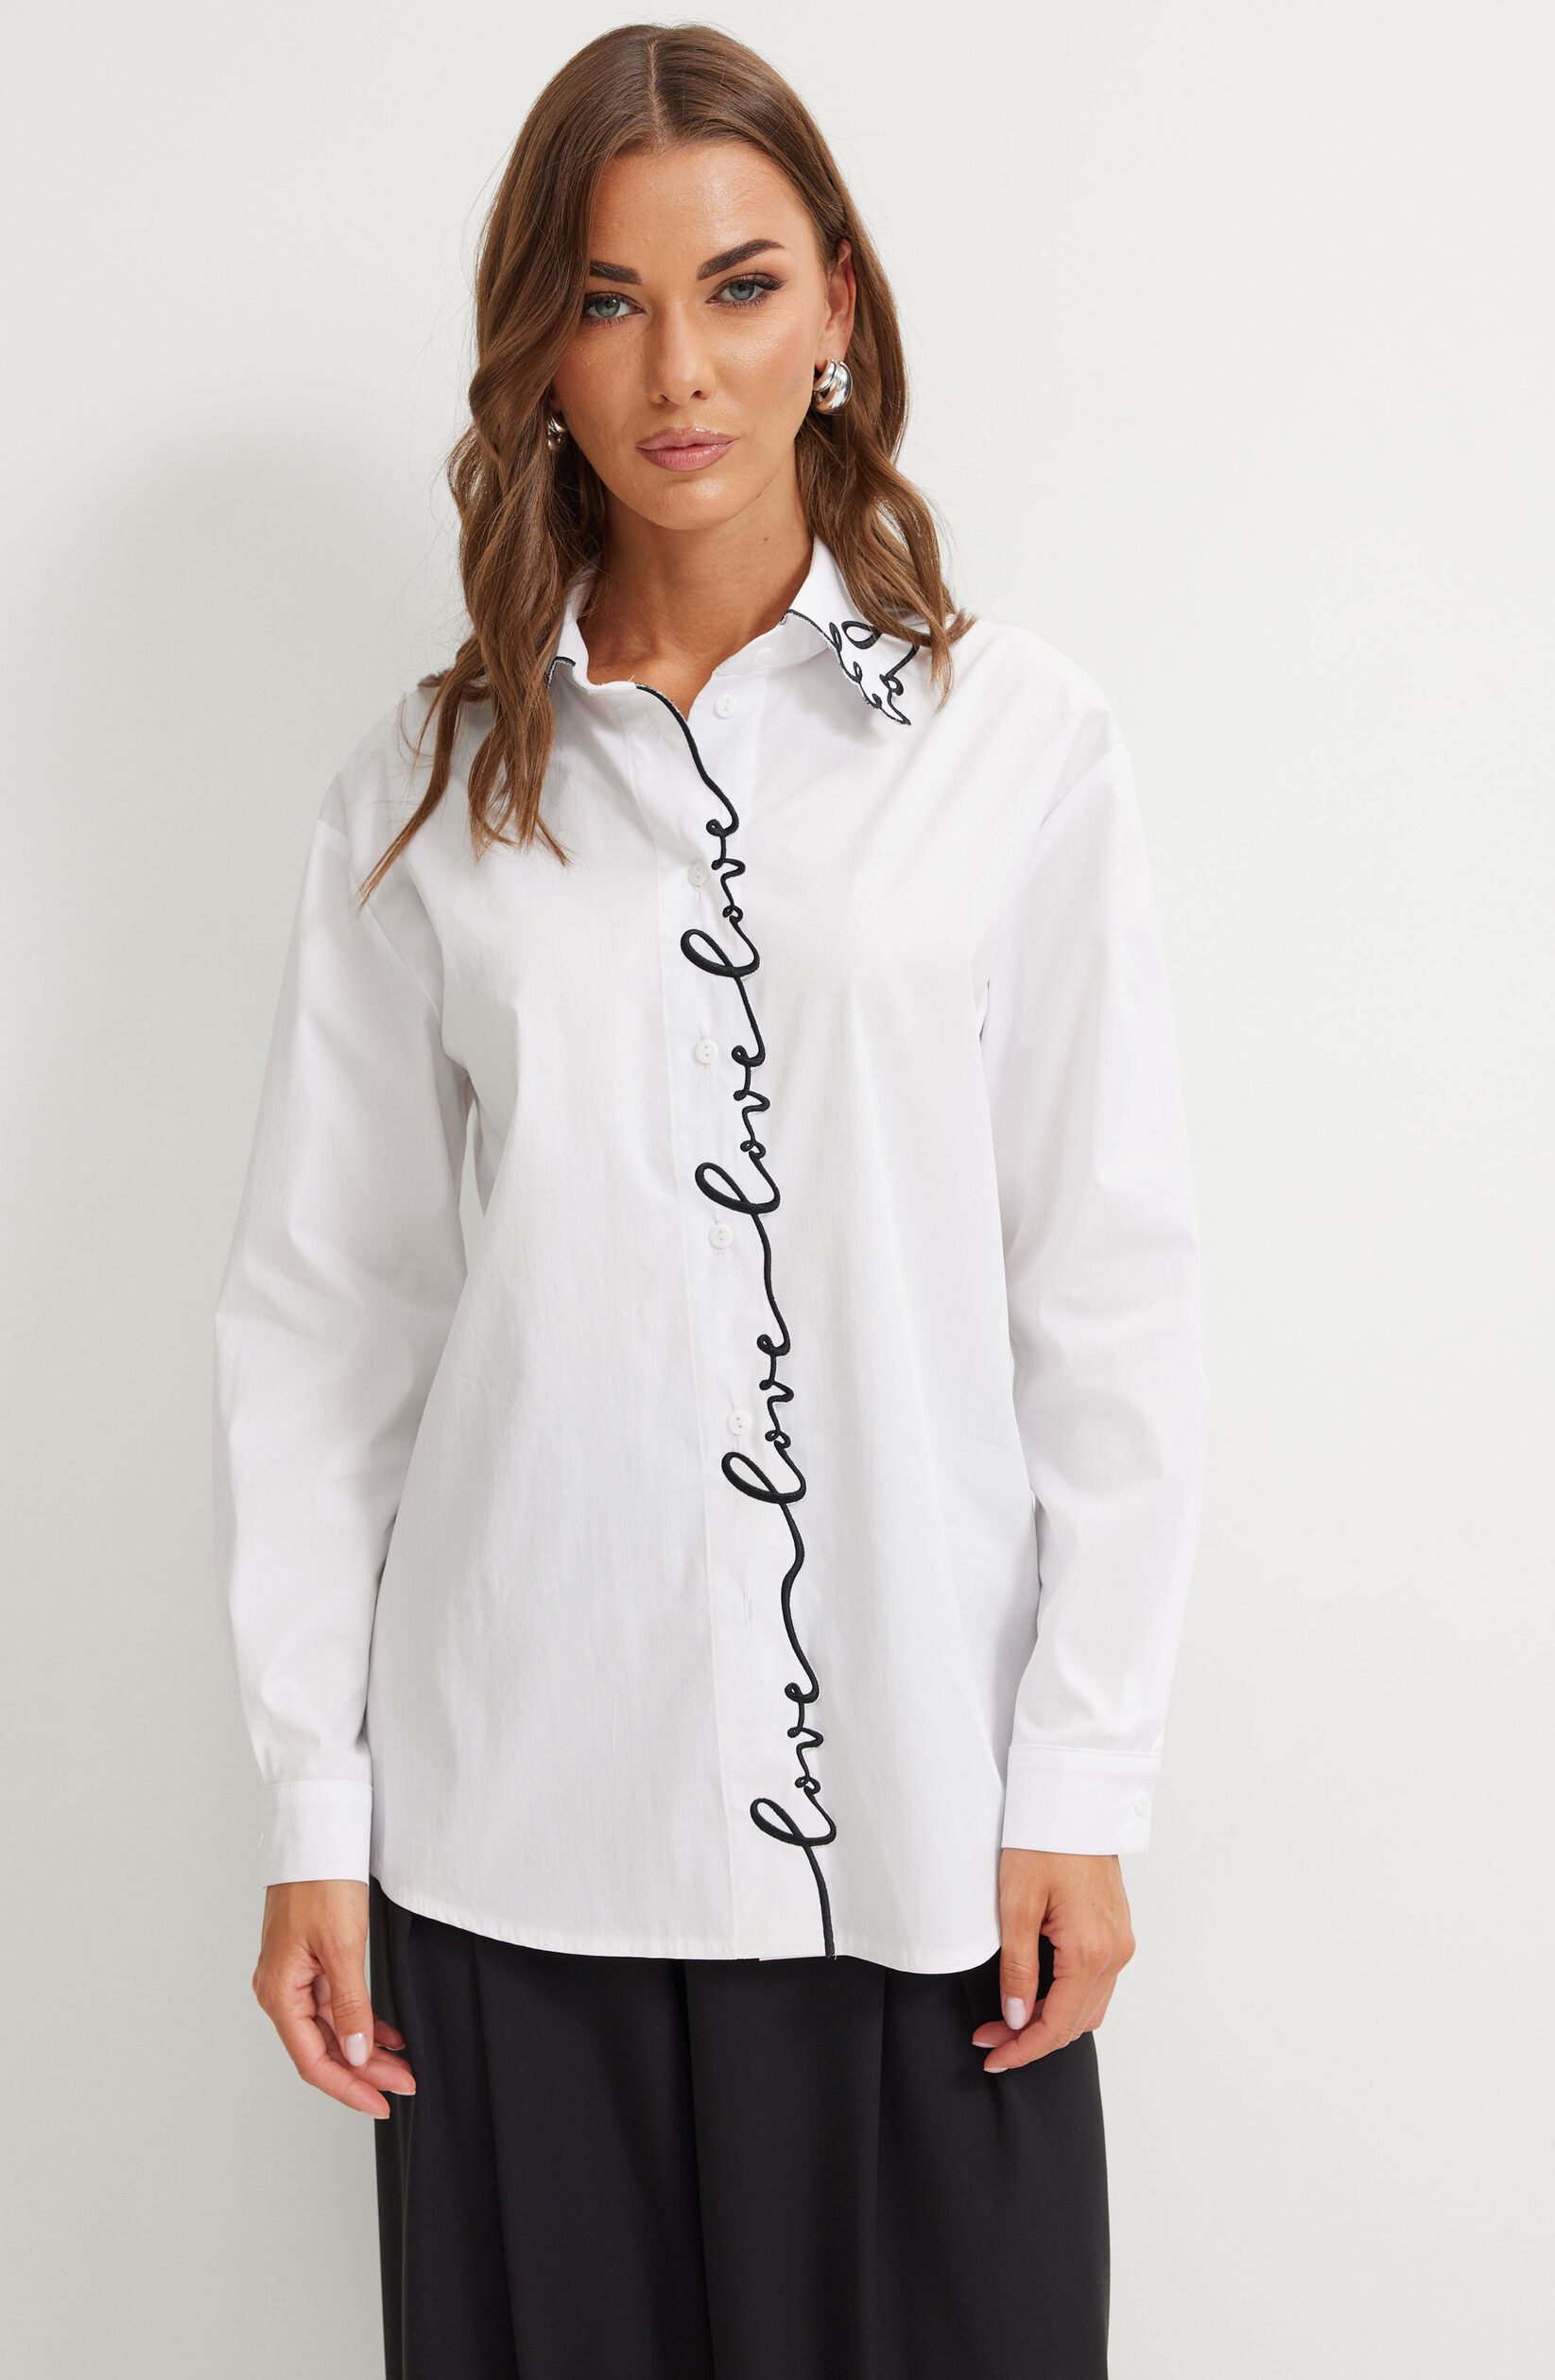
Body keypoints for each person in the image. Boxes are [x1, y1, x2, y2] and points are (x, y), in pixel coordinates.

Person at [216, 22, 1210, 2379]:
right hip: (513, 1850)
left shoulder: (1017, 747)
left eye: (741, 286)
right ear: (538, 349)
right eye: (608, 300)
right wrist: (312, 1804)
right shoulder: (429, 786)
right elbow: (330, 1323)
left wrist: (1083, 1766)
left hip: (925, 1847)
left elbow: (1104, 1284)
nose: (679, 368)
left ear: (838, 304)